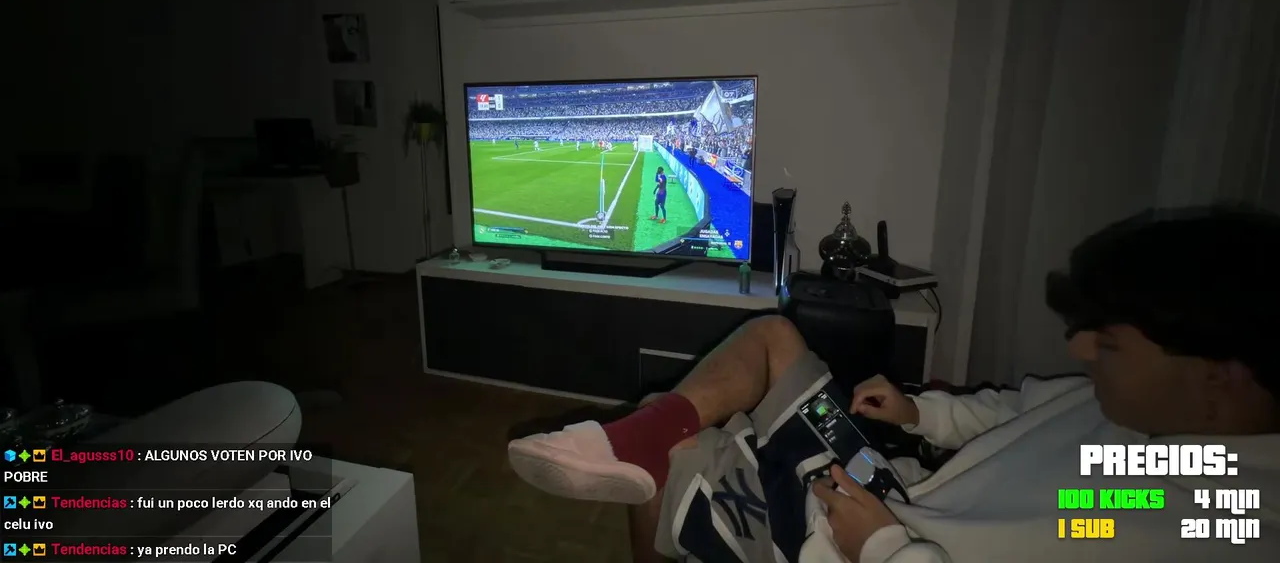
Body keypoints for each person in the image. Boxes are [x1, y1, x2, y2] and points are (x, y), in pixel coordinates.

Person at [507, 206, 1280, 562]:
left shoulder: (1226, 525)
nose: (1078, 348)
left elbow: (1097, 518)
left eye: (1108, 342)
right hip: (892, 486)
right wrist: (923, 412)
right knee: (774, 335)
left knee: (676, 450)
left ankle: (652, 442)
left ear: (1220, 378)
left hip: (865, 541)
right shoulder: (1127, 406)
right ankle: (645, 440)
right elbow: (1009, 411)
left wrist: (881, 544)